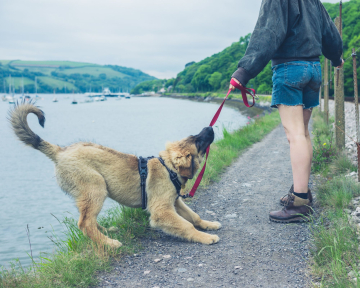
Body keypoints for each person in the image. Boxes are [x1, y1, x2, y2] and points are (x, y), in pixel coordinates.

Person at [230, 0, 343, 223]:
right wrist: (336, 57)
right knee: (303, 134)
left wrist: (244, 72)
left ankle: (300, 202)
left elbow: (267, 33)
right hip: (313, 70)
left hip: (289, 70)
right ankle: (301, 191)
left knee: (295, 135)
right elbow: (330, 33)